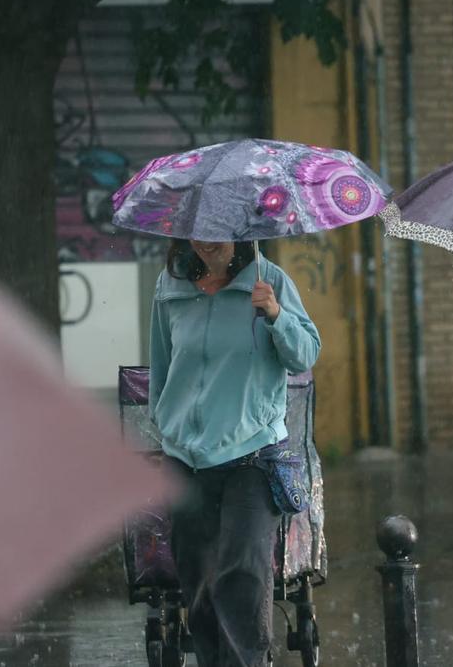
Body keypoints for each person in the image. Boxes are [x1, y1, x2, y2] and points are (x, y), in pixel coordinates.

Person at [149, 239, 320, 667]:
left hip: (251, 452)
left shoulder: (269, 280)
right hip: (186, 456)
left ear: (240, 229)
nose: (207, 240)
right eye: (198, 230)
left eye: (218, 229)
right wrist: (166, 423)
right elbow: (162, 363)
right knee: (200, 578)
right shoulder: (170, 287)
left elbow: (305, 354)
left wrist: (276, 315)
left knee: (240, 573)